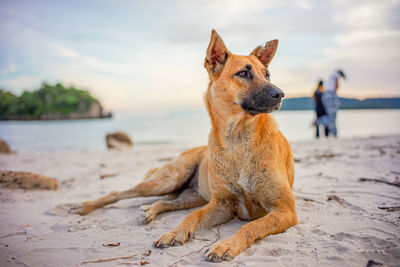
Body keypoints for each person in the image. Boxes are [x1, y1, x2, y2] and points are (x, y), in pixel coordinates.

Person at [321, 69, 346, 137]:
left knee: (331, 115)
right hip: (330, 95)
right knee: (332, 116)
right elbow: (336, 84)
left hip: (326, 95)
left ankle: (332, 133)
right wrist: (335, 92)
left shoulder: (331, 76)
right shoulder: (336, 74)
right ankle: (319, 121)